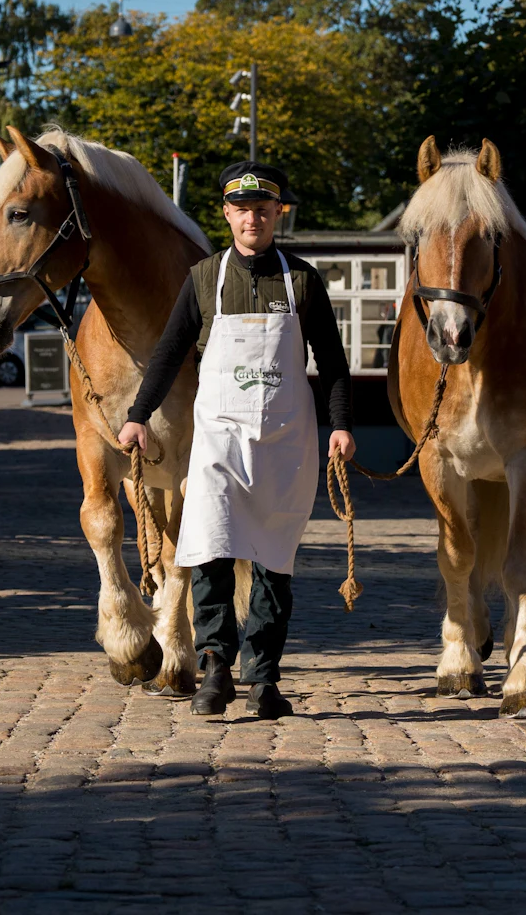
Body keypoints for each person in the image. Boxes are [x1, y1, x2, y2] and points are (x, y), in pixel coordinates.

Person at [119, 161, 355, 720]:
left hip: (285, 442)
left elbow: (332, 361)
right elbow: (169, 352)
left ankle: (264, 677)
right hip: (220, 440)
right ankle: (216, 669)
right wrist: (138, 415)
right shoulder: (205, 278)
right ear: (227, 214)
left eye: (263, 210)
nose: (254, 219)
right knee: (212, 551)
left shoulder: (303, 281)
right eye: (243, 210)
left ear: (278, 213)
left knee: (274, 561)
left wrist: (341, 423)